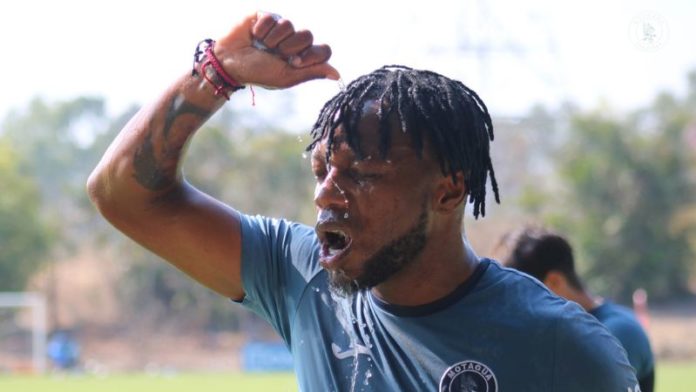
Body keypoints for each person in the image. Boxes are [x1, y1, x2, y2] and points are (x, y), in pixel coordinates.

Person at [87, 11, 640, 391]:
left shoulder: (561, 347)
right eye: (323, 169)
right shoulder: (298, 276)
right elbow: (123, 194)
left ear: (449, 189)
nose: (327, 192)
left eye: (363, 174)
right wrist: (217, 73)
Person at [498, 226, 655, 392]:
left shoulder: (617, 331)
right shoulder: (553, 333)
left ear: (554, 281)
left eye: (523, 293)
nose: (518, 306)